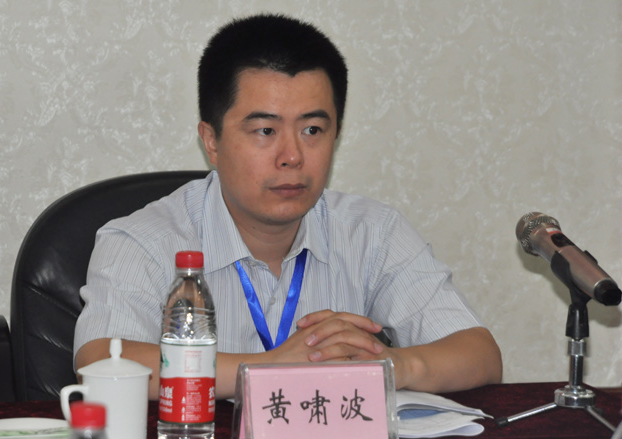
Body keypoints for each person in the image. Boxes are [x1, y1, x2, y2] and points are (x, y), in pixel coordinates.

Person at [74, 14, 502, 400]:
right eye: (265, 130)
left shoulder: (373, 233)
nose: (292, 156)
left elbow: (480, 354)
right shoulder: (143, 240)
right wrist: (270, 368)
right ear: (211, 140)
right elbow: (100, 361)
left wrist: (390, 365)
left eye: (312, 129)